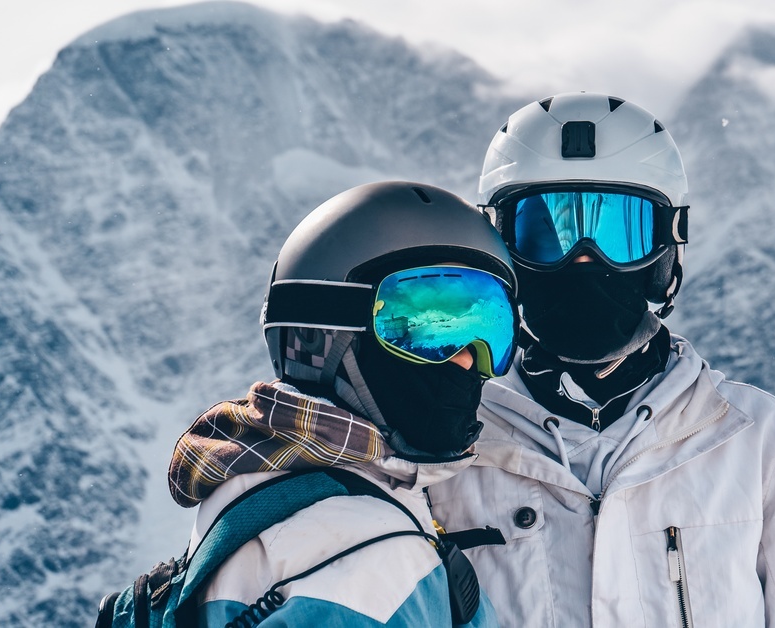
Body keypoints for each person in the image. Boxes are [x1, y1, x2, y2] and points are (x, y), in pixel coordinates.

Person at [426, 93, 775, 626]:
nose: (585, 259)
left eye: (622, 230)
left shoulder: (755, 440)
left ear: (666, 251)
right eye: (545, 234)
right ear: (502, 249)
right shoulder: (446, 445)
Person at [165, 181, 516, 626]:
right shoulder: (371, 560)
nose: (467, 359)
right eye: (427, 332)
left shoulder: (253, 490)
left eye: (492, 329)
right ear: (323, 338)